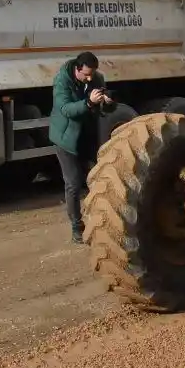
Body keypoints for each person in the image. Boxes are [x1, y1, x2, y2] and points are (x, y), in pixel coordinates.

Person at [49, 51, 116, 242]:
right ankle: (77, 228)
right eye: (86, 74)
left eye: (92, 74)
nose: (89, 77)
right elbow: (65, 109)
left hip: (88, 135)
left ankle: (105, 220)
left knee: (103, 175)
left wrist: (108, 103)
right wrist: (88, 102)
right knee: (73, 182)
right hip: (66, 138)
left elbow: (105, 109)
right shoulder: (62, 80)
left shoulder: (97, 78)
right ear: (77, 69)